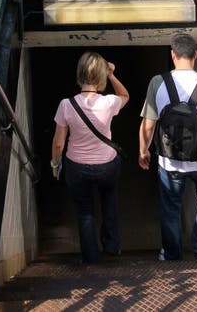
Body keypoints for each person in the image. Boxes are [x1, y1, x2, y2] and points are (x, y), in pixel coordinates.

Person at [138, 32, 197, 263]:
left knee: (171, 205)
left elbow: (148, 127)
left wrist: (144, 150)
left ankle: (171, 254)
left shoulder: (158, 83)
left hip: (169, 162)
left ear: (172, 55)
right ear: (195, 55)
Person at [51, 52, 129, 264]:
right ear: (101, 76)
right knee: (109, 202)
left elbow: (59, 142)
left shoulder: (66, 105)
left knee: (85, 212)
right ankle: (112, 247)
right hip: (107, 166)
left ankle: (90, 258)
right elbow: (125, 96)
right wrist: (112, 75)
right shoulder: (109, 102)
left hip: (77, 167)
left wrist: (55, 164)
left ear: (79, 74)